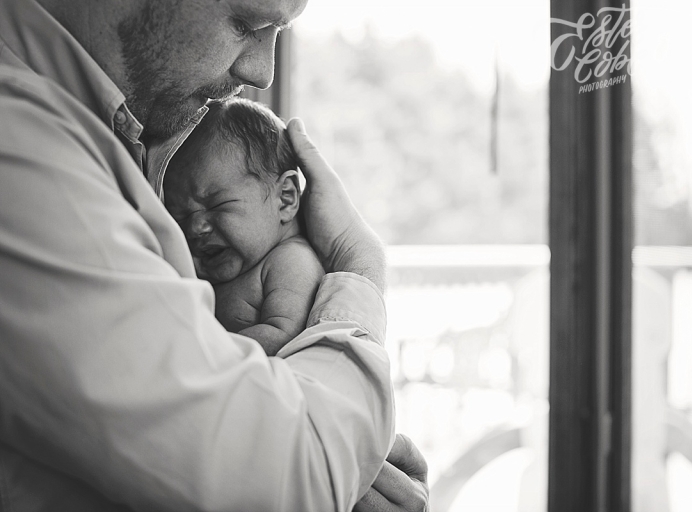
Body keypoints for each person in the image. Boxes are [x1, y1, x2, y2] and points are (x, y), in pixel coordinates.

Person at [0, 0, 428, 511]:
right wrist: (358, 263)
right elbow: (287, 472)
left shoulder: (108, 135)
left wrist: (336, 459)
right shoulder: (23, 153)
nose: (262, 73)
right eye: (245, 22)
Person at [164, 98, 324, 356]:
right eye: (179, 216)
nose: (195, 227)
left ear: (285, 198)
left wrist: (200, 350)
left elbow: (285, 337)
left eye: (217, 204)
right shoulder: (212, 265)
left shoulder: (291, 262)